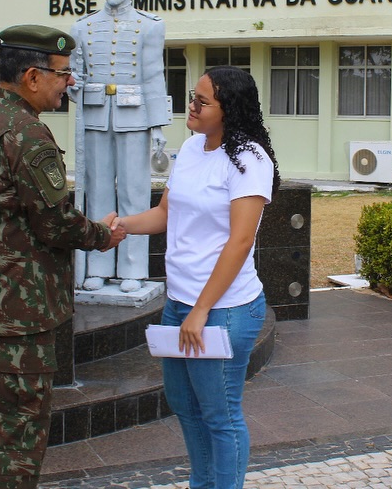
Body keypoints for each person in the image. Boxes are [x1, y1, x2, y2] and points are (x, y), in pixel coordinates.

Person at [0, 24, 126, 489]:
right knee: (21, 429)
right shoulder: (28, 134)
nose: (69, 83)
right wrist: (103, 236)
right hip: (20, 310)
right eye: (63, 74)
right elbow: (56, 222)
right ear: (32, 76)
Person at [111, 65, 280, 489]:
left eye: (202, 102)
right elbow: (166, 213)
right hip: (180, 304)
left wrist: (201, 310)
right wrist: (118, 226)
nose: (192, 106)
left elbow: (240, 242)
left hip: (222, 309)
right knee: (185, 407)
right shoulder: (189, 149)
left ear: (230, 109)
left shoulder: (248, 160)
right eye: (192, 96)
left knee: (221, 417)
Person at [69, 0, 170, 293]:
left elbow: (155, 75)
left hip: (134, 114)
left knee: (134, 194)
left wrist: (158, 125)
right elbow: (74, 77)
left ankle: (133, 269)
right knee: (97, 192)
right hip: (96, 115)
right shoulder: (82, 27)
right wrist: (74, 87)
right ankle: (97, 263)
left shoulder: (149, 25)